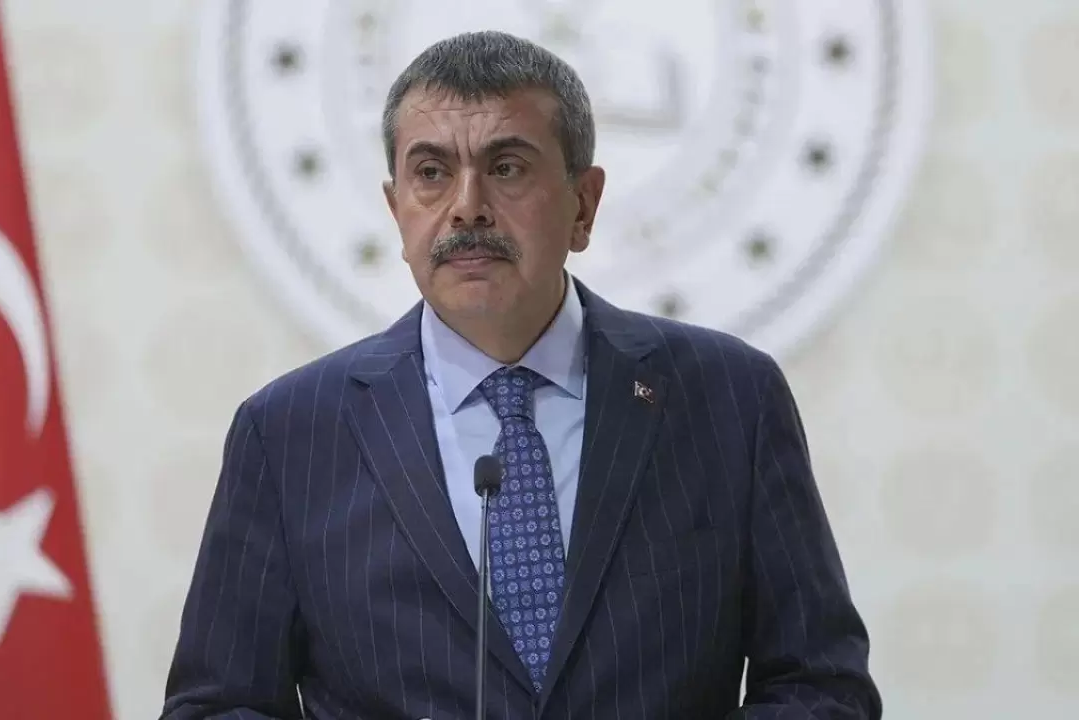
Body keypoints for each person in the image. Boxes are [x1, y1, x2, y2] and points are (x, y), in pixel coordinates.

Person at [162, 30, 881, 720]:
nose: (466, 207)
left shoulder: (730, 399)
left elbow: (823, 685)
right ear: (396, 208)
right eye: (431, 173)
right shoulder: (289, 433)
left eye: (506, 168)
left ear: (583, 205)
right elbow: (216, 704)